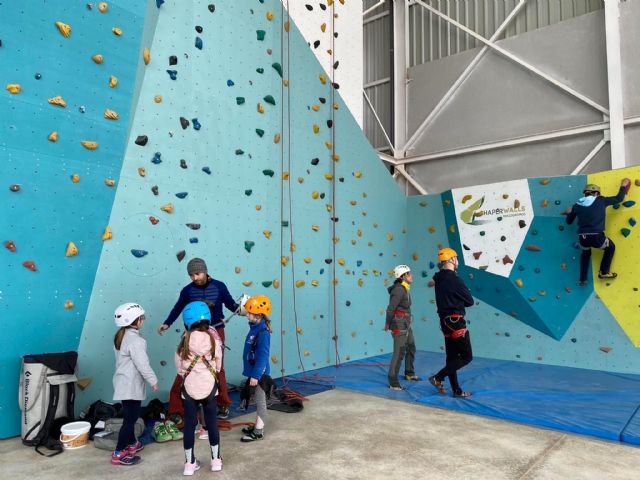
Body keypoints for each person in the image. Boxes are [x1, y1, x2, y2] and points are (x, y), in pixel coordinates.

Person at [159, 258, 239, 420]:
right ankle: (176, 408)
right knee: (186, 367)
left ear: (205, 270)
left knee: (218, 369)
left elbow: (232, 305)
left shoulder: (219, 286)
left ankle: (223, 405)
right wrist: (166, 323)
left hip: (216, 330)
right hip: (192, 333)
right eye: (191, 275)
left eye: (197, 273)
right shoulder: (187, 291)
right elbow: (178, 308)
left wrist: (244, 309)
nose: (194, 278)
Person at [175, 301, 223, 474]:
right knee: (212, 424)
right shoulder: (213, 341)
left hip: (189, 391)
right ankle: (216, 461)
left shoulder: (183, 343)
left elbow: (179, 369)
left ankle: (189, 464)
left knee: (189, 426)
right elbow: (218, 366)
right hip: (209, 389)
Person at [112, 303, 159, 466]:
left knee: (130, 416)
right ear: (135, 320)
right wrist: (153, 380)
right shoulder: (136, 340)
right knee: (130, 420)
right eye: (142, 318)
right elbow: (142, 364)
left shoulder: (121, 335)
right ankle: (118, 453)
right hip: (130, 386)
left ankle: (132, 443)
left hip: (122, 383)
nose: (143, 320)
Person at [566, 179, 630, 286]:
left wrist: (569, 212)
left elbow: (569, 221)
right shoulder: (601, 200)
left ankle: (582, 279)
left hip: (583, 238)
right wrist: (623, 186)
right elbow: (619, 198)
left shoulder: (576, 205)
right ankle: (604, 272)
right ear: (596, 193)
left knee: (585, 253)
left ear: (585, 193)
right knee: (611, 247)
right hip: (596, 237)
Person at [430, 248, 474, 398]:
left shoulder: (438, 279)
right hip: (456, 321)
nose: (458, 262)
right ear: (451, 260)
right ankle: (438, 377)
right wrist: (463, 293)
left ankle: (457, 391)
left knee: (452, 357)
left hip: (444, 322)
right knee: (467, 356)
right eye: (456, 258)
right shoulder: (454, 279)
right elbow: (470, 301)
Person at [240, 295, 272, 443]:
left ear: (258, 315)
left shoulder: (263, 333)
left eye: (249, 312)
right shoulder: (255, 328)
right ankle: (256, 427)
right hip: (254, 372)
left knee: (260, 402)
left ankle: (258, 431)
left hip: (259, 375)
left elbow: (263, 357)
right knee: (258, 400)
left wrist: (256, 376)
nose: (247, 314)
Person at [385, 264, 419, 391]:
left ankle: (409, 373)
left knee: (411, 346)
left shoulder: (405, 288)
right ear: (403, 276)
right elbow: (391, 308)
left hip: (406, 322)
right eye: (409, 274)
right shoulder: (399, 289)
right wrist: (387, 324)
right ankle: (393, 381)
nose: (411, 276)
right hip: (399, 323)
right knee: (399, 351)